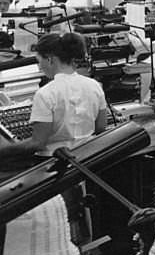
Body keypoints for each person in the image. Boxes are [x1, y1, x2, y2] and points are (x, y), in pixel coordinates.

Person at [0, 33, 107, 161]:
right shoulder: (94, 85)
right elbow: (101, 128)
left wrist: (5, 149)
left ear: (50, 59)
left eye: (40, 61)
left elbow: (37, 143)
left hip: (53, 162)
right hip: (86, 157)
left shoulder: (46, 94)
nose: (40, 67)